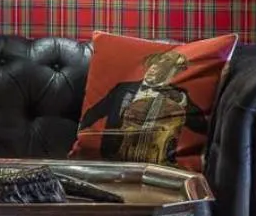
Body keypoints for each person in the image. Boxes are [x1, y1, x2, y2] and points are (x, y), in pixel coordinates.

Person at [76, 46, 206, 163]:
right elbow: (95, 112)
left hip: (157, 160)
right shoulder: (123, 89)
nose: (153, 69)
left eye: (160, 69)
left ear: (169, 73)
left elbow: (201, 126)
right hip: (114, 154)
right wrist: (80, 132)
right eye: (152, 66)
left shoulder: (178, 95)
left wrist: (182, 101)